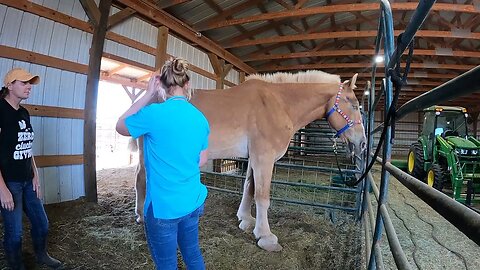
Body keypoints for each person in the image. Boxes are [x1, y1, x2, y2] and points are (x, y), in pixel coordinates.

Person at [116, 58, 209, 270]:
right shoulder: (201, 119)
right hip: (192, 201)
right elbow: (202, 160)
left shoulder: (153, 115)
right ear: (188, 85)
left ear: (162, 86)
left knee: (167, 264)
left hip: (162, 208)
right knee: (193, 256)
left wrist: (148, 94)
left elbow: (120, 126)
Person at [0, 68, 63, 270]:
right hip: (9, 182)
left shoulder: (24, 112)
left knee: (42, 223)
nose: (29, 87)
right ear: (10, 85)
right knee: (15, 232)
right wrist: (2, 189)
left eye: (30, 83)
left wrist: (35, 175)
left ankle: (41, 255)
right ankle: (16, 266)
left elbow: (26, 146)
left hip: (28, 180)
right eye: (24, 83)